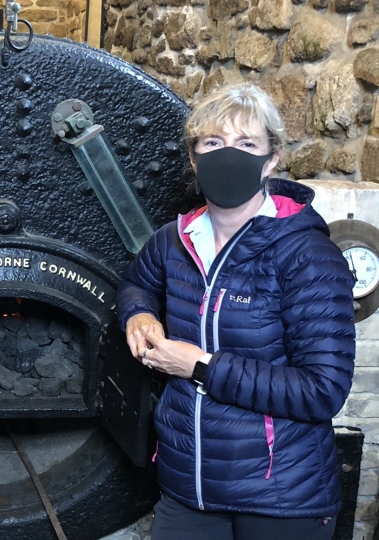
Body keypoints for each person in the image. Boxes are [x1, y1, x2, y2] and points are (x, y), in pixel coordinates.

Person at [116, 83, 356, 540]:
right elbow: (136, 283)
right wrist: (138, 315)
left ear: (271, 159)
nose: (228, 156)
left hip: (281, 498)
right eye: (213, 143)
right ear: (193, 157)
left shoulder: (307, 255)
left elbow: (322, 389)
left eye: (247, 144)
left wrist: (199, 366)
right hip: (189, 490)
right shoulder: (174, 240)